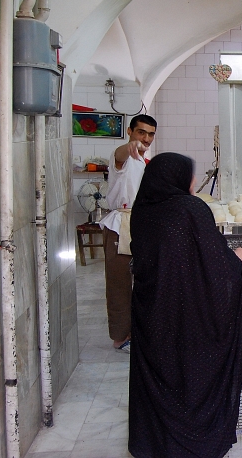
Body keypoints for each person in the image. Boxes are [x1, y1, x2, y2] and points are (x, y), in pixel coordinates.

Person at [128, 153, 242, 458]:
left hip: (151, 313)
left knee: (159, 376)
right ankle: (193, 439)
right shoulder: (190, 209)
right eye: (190, 175)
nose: (194, 181)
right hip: (186, 316)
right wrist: (238, 260)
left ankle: (155, 442)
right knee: (188, 374)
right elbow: (215, 263)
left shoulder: (141, 210)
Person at [98, 114, 157, 353]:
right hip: (119, 227)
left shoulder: (143, 162)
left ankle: (135, 331)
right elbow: (119, 156)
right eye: (141, 132)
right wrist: (128, 147)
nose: (146, 138)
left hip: (139, 226)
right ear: (130, 131)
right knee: (119, 284)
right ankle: (120, 338)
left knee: (141, 282)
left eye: (151, 134)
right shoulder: (122, 157)